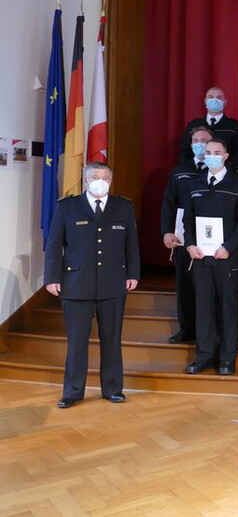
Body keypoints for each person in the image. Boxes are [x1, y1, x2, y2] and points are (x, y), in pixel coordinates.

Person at [44, 162, 140, 408]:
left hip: (113, 283)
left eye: (105, 177)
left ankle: (113, 389)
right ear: (86, 180)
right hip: (75, 284)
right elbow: (54, 245)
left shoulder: (123, 206)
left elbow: (131, 244)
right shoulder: (67, 206)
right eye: (95, 176)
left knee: (112, 339)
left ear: (111, 181)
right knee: (77, 342)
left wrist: (133, 273)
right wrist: (52, 278)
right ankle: (73, 392)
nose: (100, 181)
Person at [182, 138, 238, 375]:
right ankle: (204, 356)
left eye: (217, 152)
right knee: (203, 308)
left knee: (227, 308)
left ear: (225, 156)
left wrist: (228, 247)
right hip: (200, 257)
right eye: (208, 151)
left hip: (227, 257)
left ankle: (227, 358)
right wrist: (190, 245)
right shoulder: (194, 184)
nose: (211, 155)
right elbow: (187, 220)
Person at [160, 125, 211, 343]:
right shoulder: (180, 171)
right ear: (191, 145)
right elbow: (168, 204)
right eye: (196, 140)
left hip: (211, 238)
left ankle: (207, 332)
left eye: (205, 140)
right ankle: (186, 329)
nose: (200, 144)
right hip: (182, 236)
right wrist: (166, 232)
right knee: (185, 285)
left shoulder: (221, 171)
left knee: (207, 287)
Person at [179, 86, 238, 159]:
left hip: (224, 168)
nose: (214, 100)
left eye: (219, 97)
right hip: (195, 169)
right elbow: (185, 151)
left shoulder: (235, 126)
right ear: (205, 101)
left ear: (225, 102)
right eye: (211, 97)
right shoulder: (193, 125)